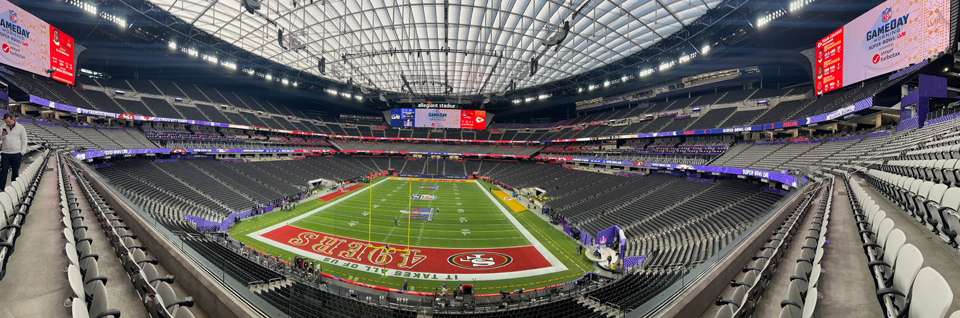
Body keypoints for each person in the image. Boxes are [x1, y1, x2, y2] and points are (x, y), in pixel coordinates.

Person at [0, 113, 27, 190]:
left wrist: (22, 152)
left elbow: (24, 140)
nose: (7, 123)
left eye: (8, 121)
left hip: (16, 154)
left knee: (15, 171)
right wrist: (2, 135)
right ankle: (1, 188)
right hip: (5, 153)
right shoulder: (2, 127)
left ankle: (14, 188)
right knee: (3, 171)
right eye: (6, 122)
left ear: (12, 119)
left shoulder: (20, 128)